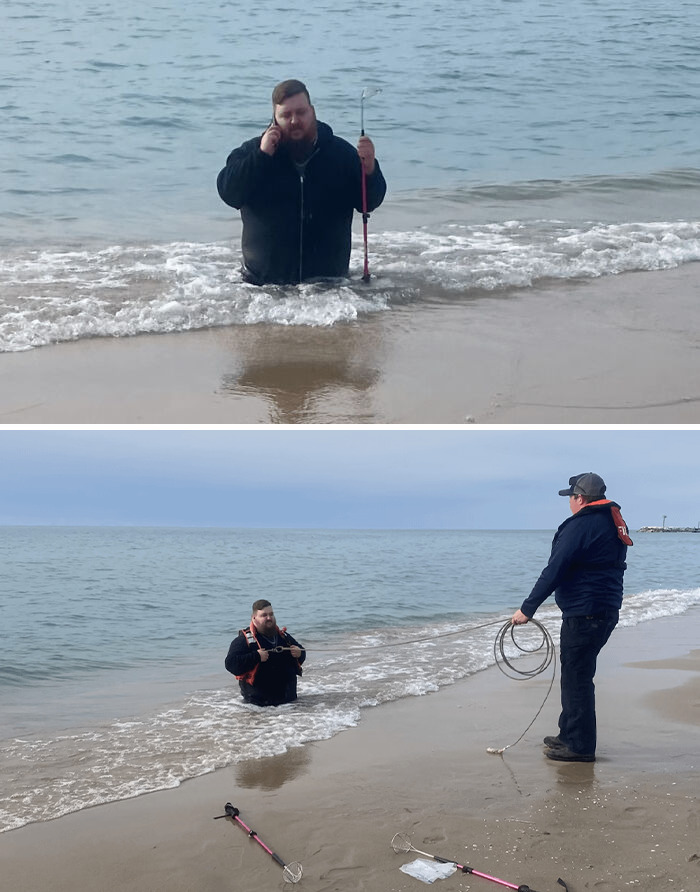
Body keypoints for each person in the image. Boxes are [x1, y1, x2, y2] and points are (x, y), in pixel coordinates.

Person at [511, 473, 633, 763]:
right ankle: (569, 734)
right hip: (603, 610)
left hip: (586, 612)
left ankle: (579, 747)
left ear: (580, 498)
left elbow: (555, 569)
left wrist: (527, 609)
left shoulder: (582, 525)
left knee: (577, 678)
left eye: (571, 497)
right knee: (575, 675)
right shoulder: (611, 520)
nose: (569, 502)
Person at [216, 78, 386, 285]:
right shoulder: (253, 153)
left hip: (330, 286)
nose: (294, 120)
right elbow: (229, 193)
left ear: (312, 112)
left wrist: (370, 171)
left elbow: (368, 202)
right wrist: (261, 156)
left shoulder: (341, 154)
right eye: (286, 115)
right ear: (274, 120)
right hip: (262, 287)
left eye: (301, 112)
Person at [225, 599, 305, 706]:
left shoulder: (283, 637)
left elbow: (302, 654)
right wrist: (256, 656)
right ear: (254, 618)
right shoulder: (244, 640)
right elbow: (230, 664)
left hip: (289, 705)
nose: (269, 618)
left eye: (271, 614)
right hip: (259, 708)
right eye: (264, 615)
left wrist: (299, 653)